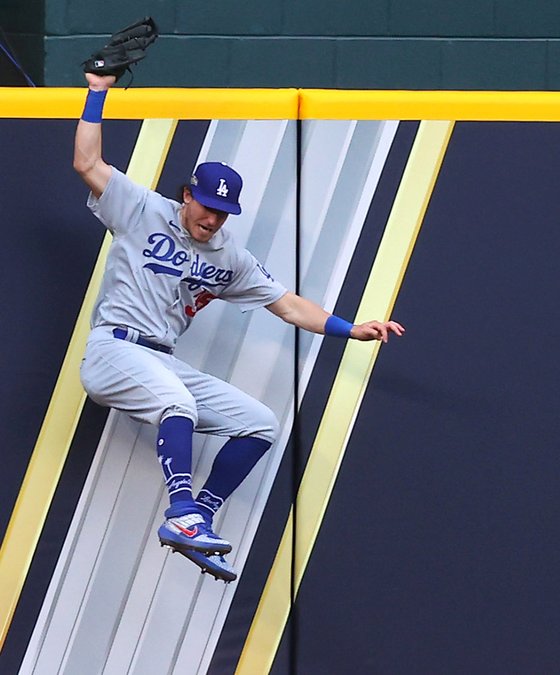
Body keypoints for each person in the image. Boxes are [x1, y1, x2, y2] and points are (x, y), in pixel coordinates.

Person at [73, 73, 404, 582]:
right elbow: (87, 163)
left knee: (261, 423)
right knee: (176, 403)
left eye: (224, 212)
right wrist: (97, 92)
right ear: (187, 195)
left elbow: (289, 307)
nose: (213, 218)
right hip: (113, 348)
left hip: (159, 358)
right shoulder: (142, 210)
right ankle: (182, 514)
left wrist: (351, 328)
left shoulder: (230, 257)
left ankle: (199, 515)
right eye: (207, 205)